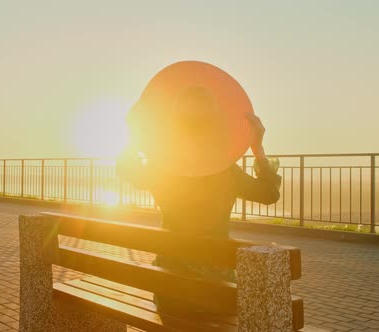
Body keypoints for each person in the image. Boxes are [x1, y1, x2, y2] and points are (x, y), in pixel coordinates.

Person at [116, 61, 282, 315]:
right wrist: (257, 150)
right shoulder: (227, 173)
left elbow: (129, 170)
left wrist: (134, 135)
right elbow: (269, 195)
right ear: (217, 124)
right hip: (219, 293)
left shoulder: (161, 169)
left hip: (169, 292)